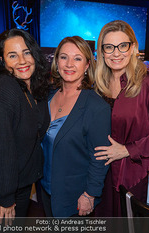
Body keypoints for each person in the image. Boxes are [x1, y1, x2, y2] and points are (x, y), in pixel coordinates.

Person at [93, 20, 149, 216]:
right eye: (109, 47)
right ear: (102, 51)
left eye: (123, 46)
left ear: (133, 48)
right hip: (99, 173)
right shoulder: (98, 85)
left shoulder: (148, 83)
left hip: (130, 175)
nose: (116, 53)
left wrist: (127, 150)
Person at [0, 29, 50, 223]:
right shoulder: (6, 88)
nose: (22, 60)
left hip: (16, 185)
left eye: (26, 52)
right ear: (2, 62)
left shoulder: (30, 89)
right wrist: (5, 196)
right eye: (13, 55)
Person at [40, 36, 111, 218]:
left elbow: (100, 157)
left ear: (87, 65)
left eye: (77, 58)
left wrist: (90, 194)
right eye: (64, 57)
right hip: (46, 191)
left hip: (75, 197)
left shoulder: (96, 107)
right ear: (57, 61)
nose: (69, 64)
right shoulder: (47, 97)